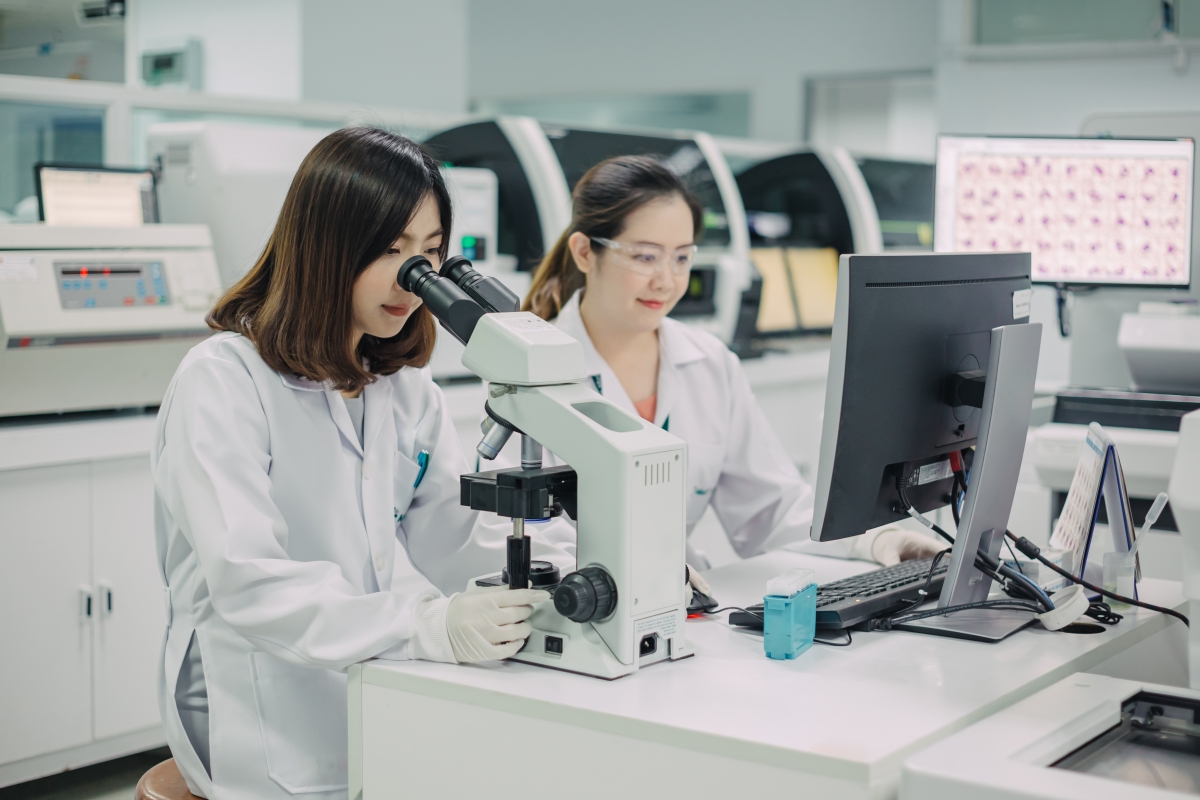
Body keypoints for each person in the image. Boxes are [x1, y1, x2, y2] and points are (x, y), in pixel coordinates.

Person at [152, 128, 552, 800]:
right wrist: (426, 625)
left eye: (428, 254)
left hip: (381, 683)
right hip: (255, 712)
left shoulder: (401, 387)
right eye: (390, 251)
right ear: (327, 248)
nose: (410, 280)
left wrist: (584, 565)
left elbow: (457, 537)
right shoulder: (223, 380)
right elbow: (250, 581)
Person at [519, 155, 943, 573]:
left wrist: (874, 539)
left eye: (682, 258)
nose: (667, 281)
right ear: (584, 252)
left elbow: (771, 508)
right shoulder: (530, 370)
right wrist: (636, 575)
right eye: (645, 256)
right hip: (579, 609)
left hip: (685, 603)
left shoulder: (709, 363)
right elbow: (526, 535)